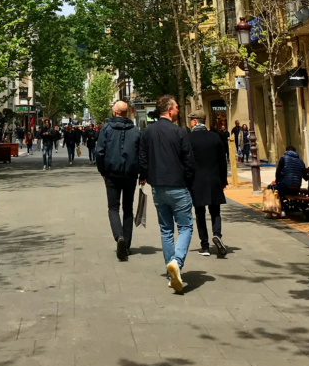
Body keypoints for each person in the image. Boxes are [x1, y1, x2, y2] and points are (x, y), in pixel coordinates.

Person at [138, 95, 195, 294]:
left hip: (158, 187)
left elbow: (142, 158)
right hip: (178, 186)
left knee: (166, 229)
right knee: (186, 226)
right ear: (170, 110)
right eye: (177, 107)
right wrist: (189, 182)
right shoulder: (180, 132)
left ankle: (171, 269)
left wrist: (143, 177)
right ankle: (177, 262)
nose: (179, 110)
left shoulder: (147, 132)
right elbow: (189, 162)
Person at [96, 101, 141, 261]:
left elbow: (99, 151)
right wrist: (142, 174)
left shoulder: (106, 129)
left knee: (113, 208)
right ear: (126, 113)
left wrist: (103, 171)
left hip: (112, 174)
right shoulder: (135, 130)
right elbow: (141, 153)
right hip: (130, 174)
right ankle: (126, 244)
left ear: (115, 112)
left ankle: (119, 237)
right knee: (128, 208)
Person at [188, 111, 228, 258]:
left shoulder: (189, 139)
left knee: (200, 213)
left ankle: (204, 246)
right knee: (215, 211)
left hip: (197, 181)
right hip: (214, 179)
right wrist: (223, 180)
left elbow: (186, 162)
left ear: (194, 122)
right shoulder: (215, 137)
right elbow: (222, 161)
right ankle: (217, 234)